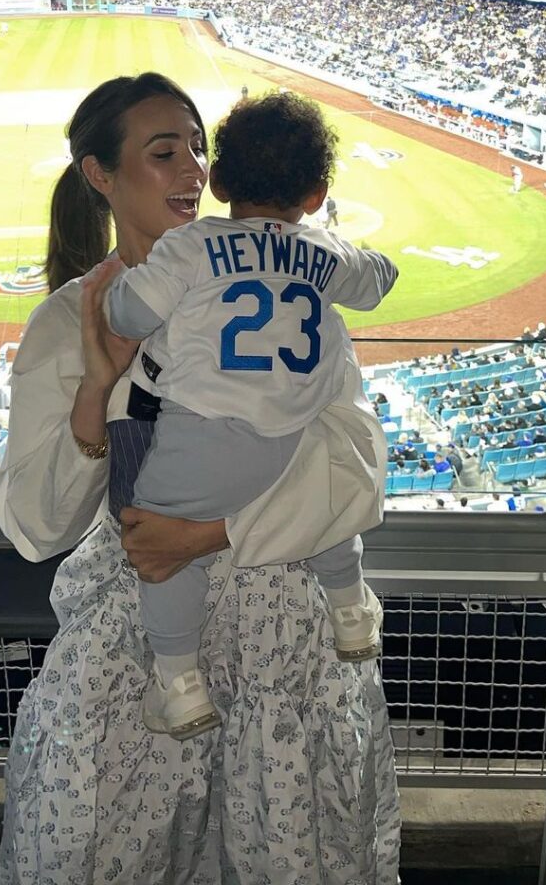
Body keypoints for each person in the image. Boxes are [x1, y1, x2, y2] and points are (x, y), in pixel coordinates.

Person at [0, 73, 400, 881]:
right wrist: (94, 398)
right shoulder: (67, 321)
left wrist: (205, 535)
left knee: (287, 849)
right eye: (162, 151)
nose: (188, 169)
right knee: (117, 849)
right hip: (139, 639)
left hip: (280, 641)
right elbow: (36, 527)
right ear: (99, 175)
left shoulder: (288, 297)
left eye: (197, 148)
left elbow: (355, 473)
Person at [106, 91, 397, 737]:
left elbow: (128, 314)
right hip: (289, 443)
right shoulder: (324, 253)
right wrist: (351, 253)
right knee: (328, 487)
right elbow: (378, 278)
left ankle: (179, 681)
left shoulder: (193, 245)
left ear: (223, 181)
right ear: (316, 193)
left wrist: (121, 288)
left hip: (200, 435)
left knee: (163, 540)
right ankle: (349, 607)